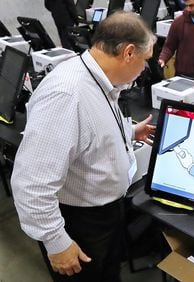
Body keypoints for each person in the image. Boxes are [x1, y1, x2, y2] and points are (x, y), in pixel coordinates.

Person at [12, 11, 156, 281]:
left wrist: (127, 132)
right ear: (128, 53)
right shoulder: (67, 94)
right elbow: (31, 184)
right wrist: (57, 243)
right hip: (80, 224)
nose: (144, 68)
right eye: (145, 60)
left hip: (105, 213)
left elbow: (90, 128)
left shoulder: (96, 77)